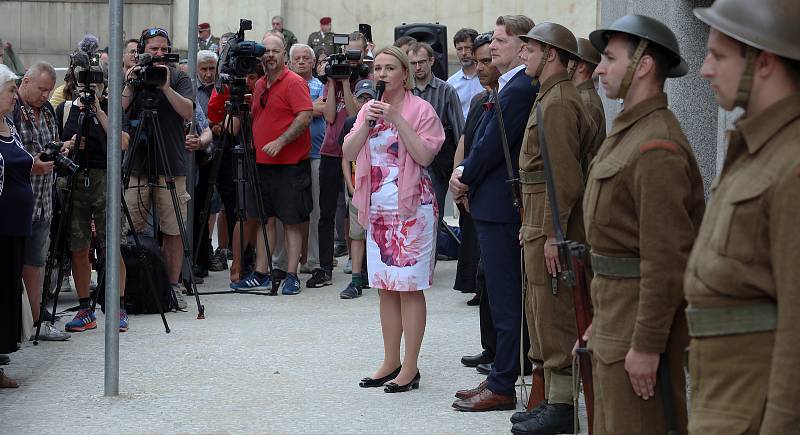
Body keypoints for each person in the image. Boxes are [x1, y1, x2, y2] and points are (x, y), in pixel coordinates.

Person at [583, 15, 705, 434]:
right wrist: (602, 316)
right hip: (616, 315)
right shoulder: (630, 132)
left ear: (644, 66)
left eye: (609, 59)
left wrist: (647, 346)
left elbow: (665, 260)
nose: (599, 68)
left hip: (637, 327)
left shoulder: (657, 145)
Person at [686, 1, 800, 433]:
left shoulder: (791, 163)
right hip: (725, 404)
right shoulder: (756, 151)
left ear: (764, 61)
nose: (705, 70)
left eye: (718, 55)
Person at [448, 14, 536, 412]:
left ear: (523, 46)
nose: (493, 45)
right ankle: (500, 372)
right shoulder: (507, 84)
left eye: (502, 39)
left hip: (502, 208)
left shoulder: (518, 88)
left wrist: (464, 174)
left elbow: (491, 148)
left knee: (504, 299)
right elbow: (481, 136)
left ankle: (503, 384)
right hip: (490, 205)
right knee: (498, 296)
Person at [343, 45, 444, 393]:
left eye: (389, 68)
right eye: (378, 69)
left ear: (405, 73)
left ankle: (411, 367)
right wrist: (365, 124)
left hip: (413, 210)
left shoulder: (421, 110)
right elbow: (347, 152)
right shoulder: (367, 110)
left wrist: (398, 119)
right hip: (378, 210)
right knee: (385, 287)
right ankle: (390, 360)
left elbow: (425, 156)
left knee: (409, 289)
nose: (381, 74)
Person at [511, 22, 594, 435]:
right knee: (541, 309)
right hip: (539, 216)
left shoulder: (559, 102)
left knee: (555, 312)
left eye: (532, 47)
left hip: (550, 219)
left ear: (553, 55)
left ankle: (561, 405)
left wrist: (554, 235)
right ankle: (550, 398)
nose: (524, 53)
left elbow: (565, 179)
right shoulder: (548, 96)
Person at [229, 31, 312, 295]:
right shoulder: (260, 84)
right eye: (265, 51)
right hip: (262, 164)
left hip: (290, 163)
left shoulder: (294, 82)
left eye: (275, 51)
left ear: (284, 54)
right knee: (266, 220)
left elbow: (305, 116)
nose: (270, 56)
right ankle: (262, 273)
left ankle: (291, 275)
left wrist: (281, 141)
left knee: (291, 220)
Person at [121, 28, 195, 309]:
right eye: (154, 49)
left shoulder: (179, 76)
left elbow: (188, 111)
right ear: (142, 51)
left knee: (173, 230)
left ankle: (172, 287)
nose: (160, 54)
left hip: (170, 165)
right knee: (130, 230)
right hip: (137, 165)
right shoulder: (135, 76)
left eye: (164, 49)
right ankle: (130, 287)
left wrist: (165, 86)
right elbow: (118, 109)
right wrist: (130, 83)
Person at [57, 60, 131, 333]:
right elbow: (57, 145)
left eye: (98, 84)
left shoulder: (111, 108)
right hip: (76, 180)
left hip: (105, 180)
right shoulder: (65, 110)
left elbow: (122, 142)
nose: (92, 90)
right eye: (87, 84)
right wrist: (69, 144)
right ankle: (85, 307)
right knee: (78, 246)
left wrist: (99, 110)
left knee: (111, 245)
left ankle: (118, 306)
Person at [12, 61, 70, 341]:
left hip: (44, 200)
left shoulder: (47, 111)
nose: (46, 95)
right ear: (25, 81)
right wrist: (30, 165)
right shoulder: (10, 110)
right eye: (41, 89)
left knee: (36, 263)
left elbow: (53, 144)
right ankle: (14, 328)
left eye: (49, 90)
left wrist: (60, 150)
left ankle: (36, 322)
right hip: (17, 200)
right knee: (14, 263)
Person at [454, 31, 500, 366]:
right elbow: (467, 142)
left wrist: (466, 179)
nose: (481, 67)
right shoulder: (477, 101)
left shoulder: (508, 98)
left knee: (494, 278)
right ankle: (489, 347)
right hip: (472, 193)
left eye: (488, 60)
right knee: (482, 278)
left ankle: (501, 353)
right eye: (479, 61)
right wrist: (458, 178)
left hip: (491, 197)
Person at [311, 31, 370, 289]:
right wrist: (336, 81)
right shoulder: (329, 81)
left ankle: (363, 267)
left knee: (359, 211)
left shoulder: (368, 80)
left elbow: (358, 116)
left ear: (365, 53)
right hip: (330, 152)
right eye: (348, 54)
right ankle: (325, 266)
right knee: (326, 211)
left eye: (357, 53)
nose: (352, 59)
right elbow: (331, 117)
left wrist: (348, 83)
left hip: (359, 154)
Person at [406, 41, 464, 225]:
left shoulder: (446, 91)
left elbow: (459, 130)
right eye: (413, 63)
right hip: (407, 160)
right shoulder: (405, 91)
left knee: (433, 214)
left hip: (437, 163)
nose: (417, 67)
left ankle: (433, 253)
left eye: (421, 61)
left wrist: (460, 166)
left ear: (431, 61)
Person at [0, 64, 31, 388]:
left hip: (17, 226)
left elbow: (21, 162)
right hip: (1, 226)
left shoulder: (9, 125)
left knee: (7, 293)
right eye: (10, 90)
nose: (14, 96)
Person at [288, 43, 325, 275]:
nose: (301, 62)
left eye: (306, 58)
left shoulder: (321, 86)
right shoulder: (285, 84)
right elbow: (284, 112)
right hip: (290, 156)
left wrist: (299, 110)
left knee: (316, 211)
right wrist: (309, 109)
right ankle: (284, 261)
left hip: (316, 154)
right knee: (289, 211)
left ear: (313, 62)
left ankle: (313, 260)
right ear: (290, 63)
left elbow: (323, 109)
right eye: (297, 58)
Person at [338, 79, 374, 299]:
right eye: (362, 98)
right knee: (357, 234)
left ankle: (376, 274)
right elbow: (344, 157)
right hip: (356, 185)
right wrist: (350, 186)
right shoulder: (351, 121)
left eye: (370, 97)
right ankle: (356, 279)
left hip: (376, 186)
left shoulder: (382, 121)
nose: (366, 102)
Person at [572, 37, 606, 170]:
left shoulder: (587, 102)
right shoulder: (578, 97)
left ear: (580, 66)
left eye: (569, 59)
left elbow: (584, 155)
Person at [446, 28, 484, 121]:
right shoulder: (450, 84)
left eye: (467, 48)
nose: (463, 53)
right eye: (459, 49)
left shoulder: (488, 77)